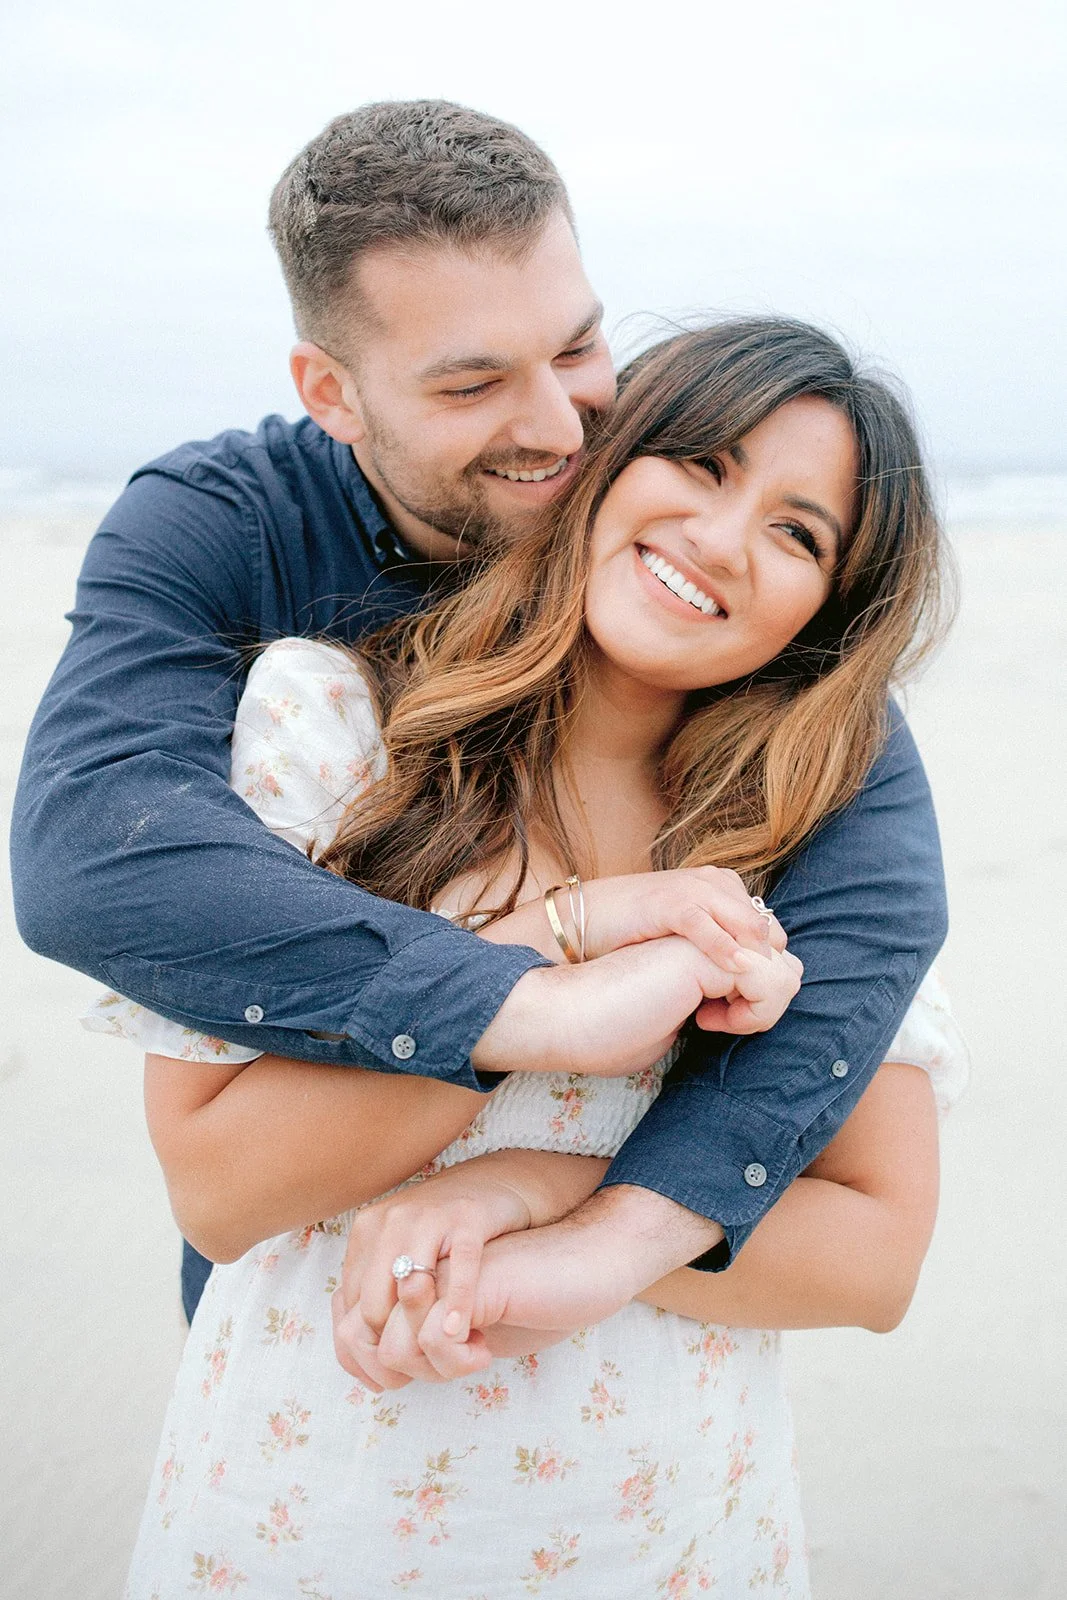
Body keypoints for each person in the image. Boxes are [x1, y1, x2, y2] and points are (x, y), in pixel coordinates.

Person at [12, 102, 949, 1336]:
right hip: (311, 1333)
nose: (561, 430)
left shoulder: (698, 600)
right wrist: (540, 983)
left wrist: (575, 1206)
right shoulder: (233, 541)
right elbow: (95, 846)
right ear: (330, 393)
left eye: (575, 348)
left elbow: (874, 887)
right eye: (471, 383)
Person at [89, 317, 966, 1596]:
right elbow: (219, 1191)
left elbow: (874, 1258)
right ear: (603, 465)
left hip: (668, 1542)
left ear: (826, 609)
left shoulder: (805, 846)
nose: (721, 541)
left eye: (796, 532)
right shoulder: (339, 730)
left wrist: (532, 1181)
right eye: (702, 465)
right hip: (302, 1521)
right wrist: (550, 961)